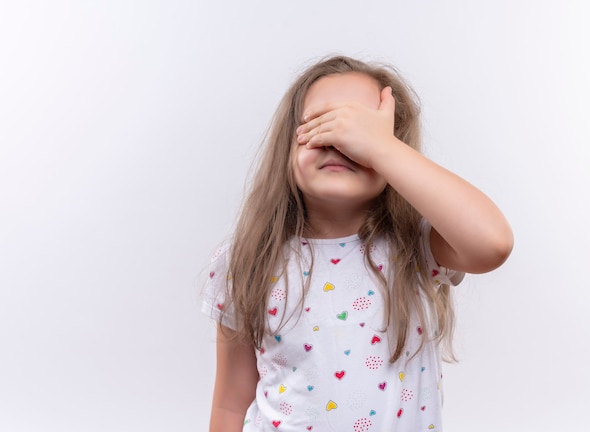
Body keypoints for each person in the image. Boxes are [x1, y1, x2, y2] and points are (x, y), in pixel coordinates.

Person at [203, 55, 513, 431]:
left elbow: (492, 243)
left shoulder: (416, 246)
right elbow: (230, 407)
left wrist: (380, 148)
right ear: (288, 146)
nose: (340, 141)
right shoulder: (248, 259)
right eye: (319, 126)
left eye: (361, 130)